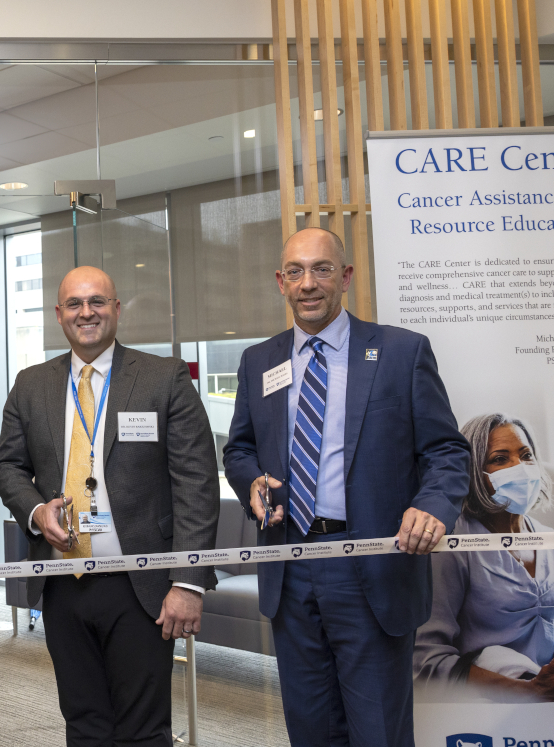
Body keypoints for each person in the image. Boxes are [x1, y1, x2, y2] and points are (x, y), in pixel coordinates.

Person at [223, 227, 470, 747]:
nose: (308, 283)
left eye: (322, 269)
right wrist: (251, 484)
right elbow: (239, 450)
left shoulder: (402, 353)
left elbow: (447, 452)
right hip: (290, 574)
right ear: (280, 282)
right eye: (296, 271)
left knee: (378, 732)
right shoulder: (258, 361)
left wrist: (432, 507)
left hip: (373, 569)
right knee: (311, 731)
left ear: (346, 276)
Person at [0, 265, 220, 746]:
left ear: (116, 309)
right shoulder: (31, 384)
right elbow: (7, 468)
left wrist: (188, 582)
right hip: (63, 584)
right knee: (84, 722)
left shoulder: (163, 377)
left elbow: (195, 481)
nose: (86, 312)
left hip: (142, 585)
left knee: (143, 728)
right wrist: (36, 511)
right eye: (74, 304)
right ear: (59, 315)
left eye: (97, 301)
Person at [415, 413, 554, 701]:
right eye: (500, 459)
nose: (520, 467)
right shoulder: (454, 543)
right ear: (475, 471)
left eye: (526, 455)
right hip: (484, 709)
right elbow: (426, 659)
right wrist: (528, 691)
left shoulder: (547, 538)